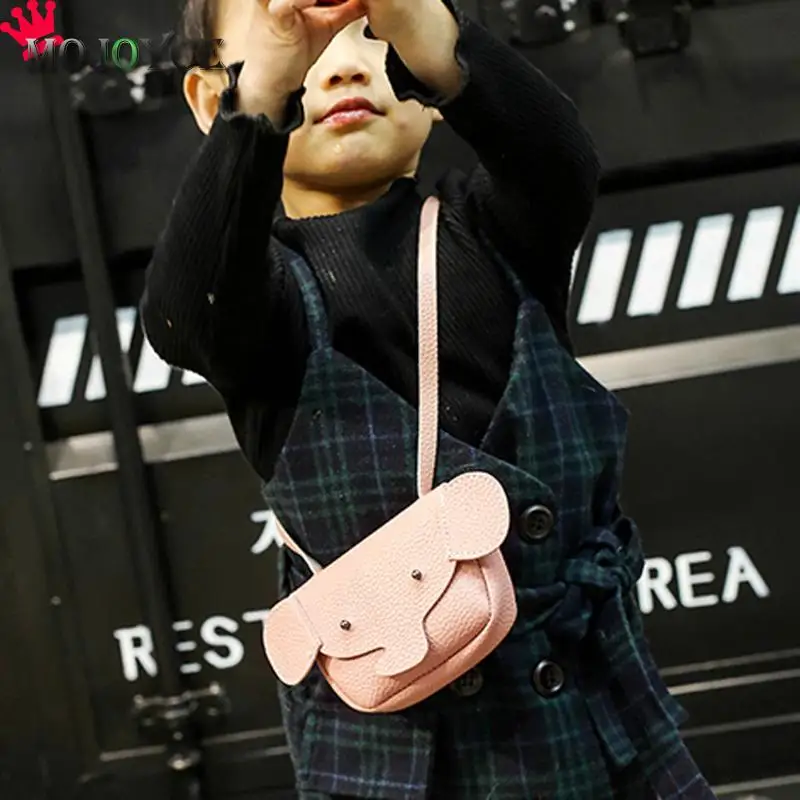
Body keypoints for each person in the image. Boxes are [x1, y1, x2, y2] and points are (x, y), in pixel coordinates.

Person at [140, 0, 716, 797]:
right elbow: (184, 314)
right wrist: (263, 94)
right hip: (401, 758)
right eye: (302, 43)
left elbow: (560, 162)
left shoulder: (495, 228)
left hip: (597, 723)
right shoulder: (256, 300)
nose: (343, 64)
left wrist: (425, 31)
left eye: (369, 35)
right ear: (213, 100)